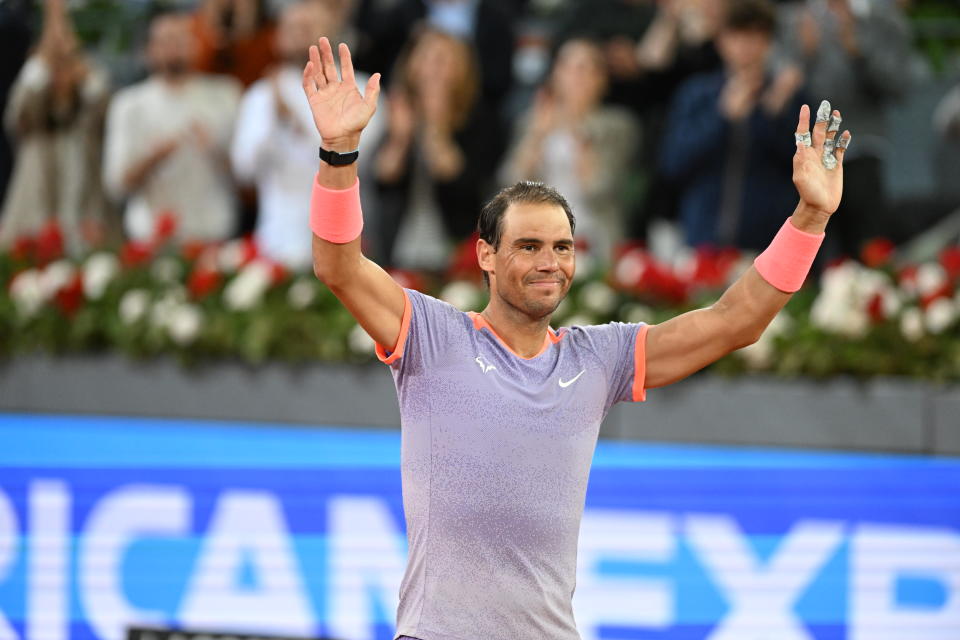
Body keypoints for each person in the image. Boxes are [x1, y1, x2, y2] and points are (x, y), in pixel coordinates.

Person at [302, 36, 850, 640]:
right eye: (529, 246)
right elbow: (339, 266)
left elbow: (735, 321)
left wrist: (811, 218)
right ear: (486, 254)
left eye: (562, 247)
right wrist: (339, 150)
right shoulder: (432, 334)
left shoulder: (599, 357)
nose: (550, 263)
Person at [231, 0, 383, 269]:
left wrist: (294, 121)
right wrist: (276, 120)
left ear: (332, 30)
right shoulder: (261, 95)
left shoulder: (363, 88)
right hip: (276, 242)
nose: (299, 33)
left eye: (308, 26)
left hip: (349, 249)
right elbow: (244, 169)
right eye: (291, 27)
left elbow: (356, 162)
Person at [660, 0, 806, 252]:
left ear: (768, 42)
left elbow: (801, 171)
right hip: (703, 242)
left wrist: (771, 115)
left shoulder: (787, 96)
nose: (746, 47)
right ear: (721, 41)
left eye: (755, 36)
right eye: (737, 36)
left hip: (768, 247)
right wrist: (721, 117)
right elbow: (673, 164)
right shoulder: (697, 94)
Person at [103, 12, 241, 244]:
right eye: (166, 40)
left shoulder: (226, 94)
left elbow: (246, 173)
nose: (175, 48)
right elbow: (116, 183)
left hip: (212, 232)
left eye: (182, 39)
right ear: (149, 49)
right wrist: (153, 157)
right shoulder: (128, 104)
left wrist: (214, 149)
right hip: (150, 236)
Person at [374, 27, 505, 269]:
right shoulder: (398, 112)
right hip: (398, 243)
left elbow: (460, 182)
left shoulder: (479, 119)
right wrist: (401, 138)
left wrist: (435, 127)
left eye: (442, 59)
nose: (432, 69)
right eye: (424, 57)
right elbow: (383, 178)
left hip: (455, 242)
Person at [500, 38, 638, 264]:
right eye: (568, 67)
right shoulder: (531, 122)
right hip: (538, 238)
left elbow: (601, 191)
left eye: (585, 68)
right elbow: (510, 186)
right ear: (555, 74)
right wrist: (536, 136)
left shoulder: (618, 126)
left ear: (602, 79)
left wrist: (580, 133)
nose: (576, 76)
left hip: (595, 238)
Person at [0, 0, 114, 253]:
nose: (61, 70)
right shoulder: (32, 106)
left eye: (67, 63)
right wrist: (46, 52)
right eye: (55, 64)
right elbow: (19, 112)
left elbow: (101, 104)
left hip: (84, 198)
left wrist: (77, 62)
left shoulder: (88, 102)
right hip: (35, 197)